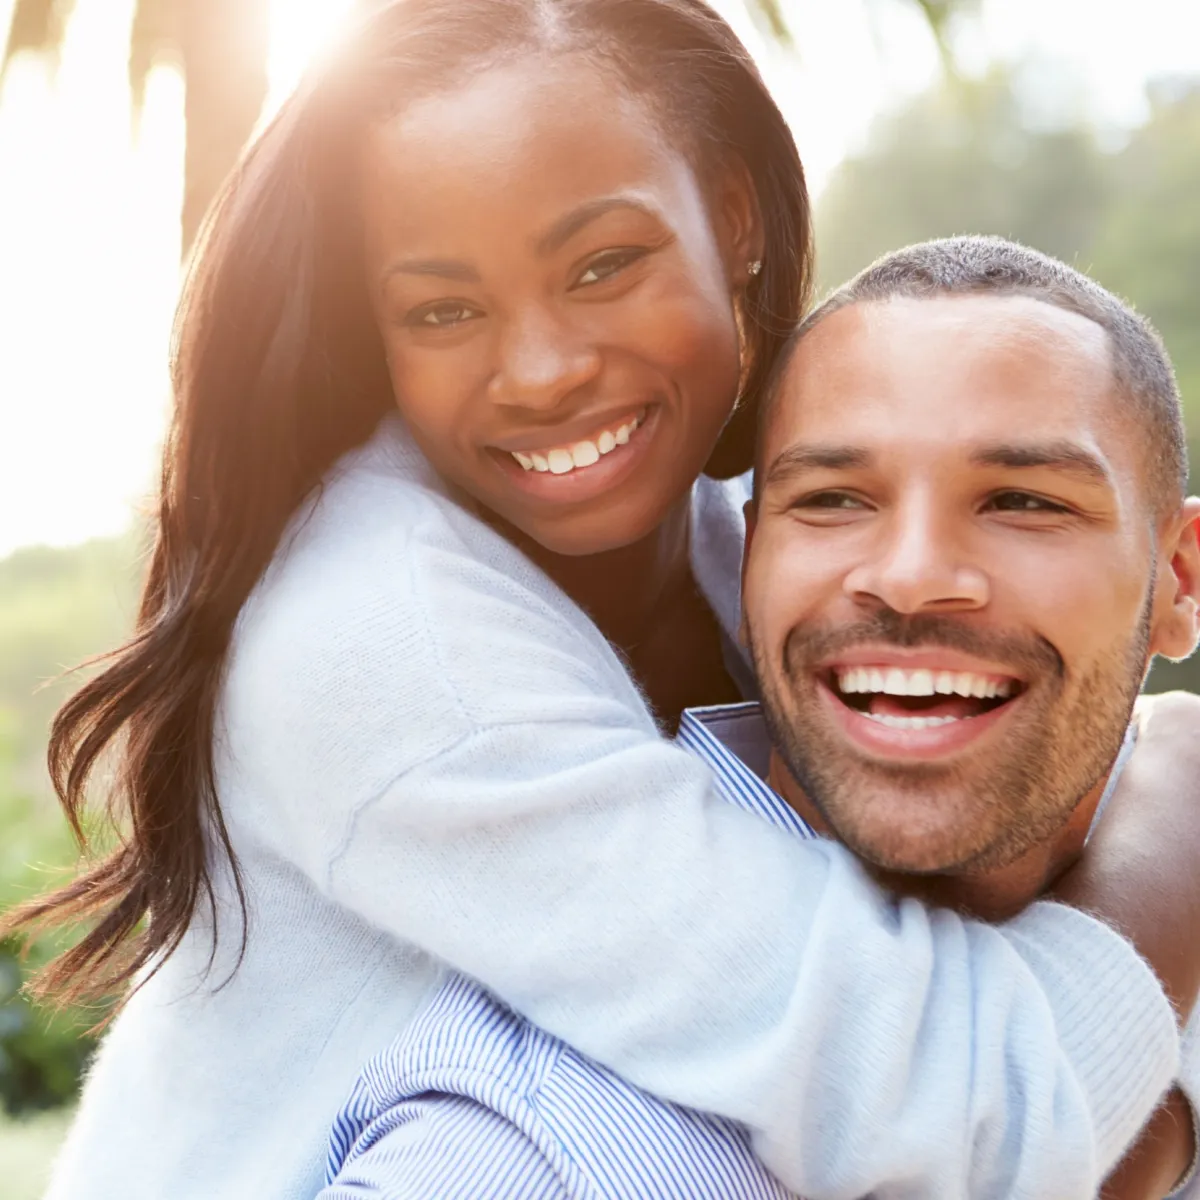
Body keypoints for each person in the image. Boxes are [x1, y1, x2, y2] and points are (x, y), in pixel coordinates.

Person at [6, 3, 1197, 1196]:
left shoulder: (738, 538)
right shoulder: (385, 638)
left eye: (603, 265)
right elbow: (947, 1102)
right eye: (443, 311)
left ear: (733, 217)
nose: (541, 371)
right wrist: (1176, 829)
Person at [320, 237, 1200, 1200]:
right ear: (748, 571)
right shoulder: (532, 1146)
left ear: (1179, 582)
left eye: (1023, 501)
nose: (908, 574)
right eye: (831, 500)